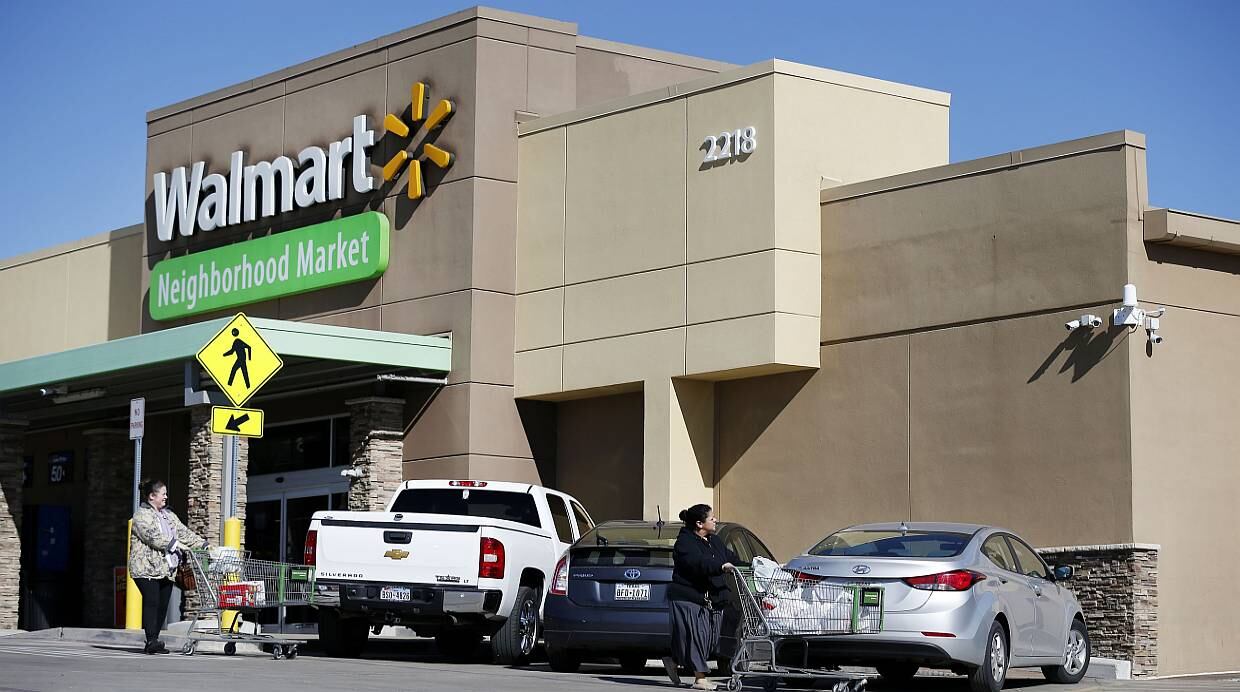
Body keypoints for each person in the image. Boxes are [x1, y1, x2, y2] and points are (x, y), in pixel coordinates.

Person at [663, 504, 738, 691]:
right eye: (711, 518)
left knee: (708, 640)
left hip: (710, 598)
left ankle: (673, 660)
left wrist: (752, 563)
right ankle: (700, 679)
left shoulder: (714, 541)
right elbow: (698, 563)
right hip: (687, 596)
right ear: (699, 523)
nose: (715, 520)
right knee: (696, 637)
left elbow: (729, 556)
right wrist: (720, 567)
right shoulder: (685, 543)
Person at [129, 479, 207, 654]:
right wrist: (175, 544)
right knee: (152, 601)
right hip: (146, 569)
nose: (166, 497)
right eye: (163, 494)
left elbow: (183, 532)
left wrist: (203, 545)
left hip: (166, 569)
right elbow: (152, 537)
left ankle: (154, 640)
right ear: (151, 496)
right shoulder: (141, 516)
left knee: (162, 605)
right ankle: (150, 640)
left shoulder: (168, 515)